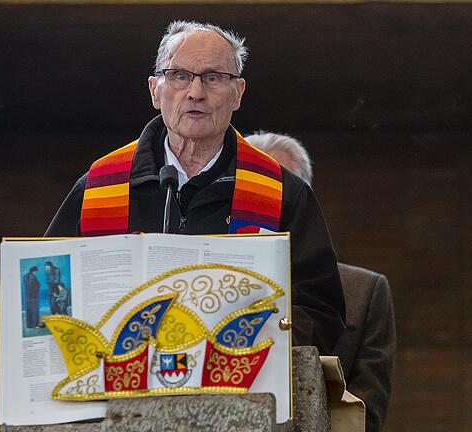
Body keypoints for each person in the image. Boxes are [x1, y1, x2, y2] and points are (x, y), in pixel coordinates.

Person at [44, 21, 345, 354]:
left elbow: (320, 309)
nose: (196, 92)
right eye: (179, 75)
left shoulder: (282, 192)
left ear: (239, 93)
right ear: (154, 91)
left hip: (241, 386)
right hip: (114, 385)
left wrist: (257, 348)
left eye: (214, 77)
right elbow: (48, 296)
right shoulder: (99, 187)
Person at [246, 132, 396, 432]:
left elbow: (365, 415)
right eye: (250, 190)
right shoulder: (204, 284)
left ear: (302, 200)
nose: (263, 204)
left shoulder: (363, 292)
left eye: (275, 190)